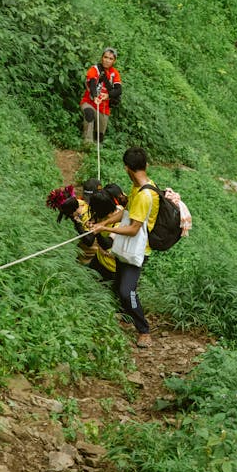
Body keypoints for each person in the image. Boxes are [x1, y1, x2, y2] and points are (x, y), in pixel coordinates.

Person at [91, 147, 159, 348]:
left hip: (137, 250)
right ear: (145, 165)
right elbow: (126, 213)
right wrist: (103, 223)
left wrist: (103, 227)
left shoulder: (144, 196)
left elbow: (133, 229)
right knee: (118, 283)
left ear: (127, 168)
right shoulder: (138, 187)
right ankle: (126, 316)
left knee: (126, 290)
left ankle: (144, 330)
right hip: (126, 247)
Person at [80, 47, 122, 144]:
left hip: (104, 107)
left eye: (110, 59)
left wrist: (107, 95)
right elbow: (92, 84)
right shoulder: (94, 69)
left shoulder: (114, 73)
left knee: (99, 137)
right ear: (102, 58)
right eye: (105, 57)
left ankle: (96, 147)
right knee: (89, 113)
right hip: (89, 102)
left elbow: (119, 90)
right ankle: (87, 143)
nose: (107, 60)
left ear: (114, 61)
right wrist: (95, 96)